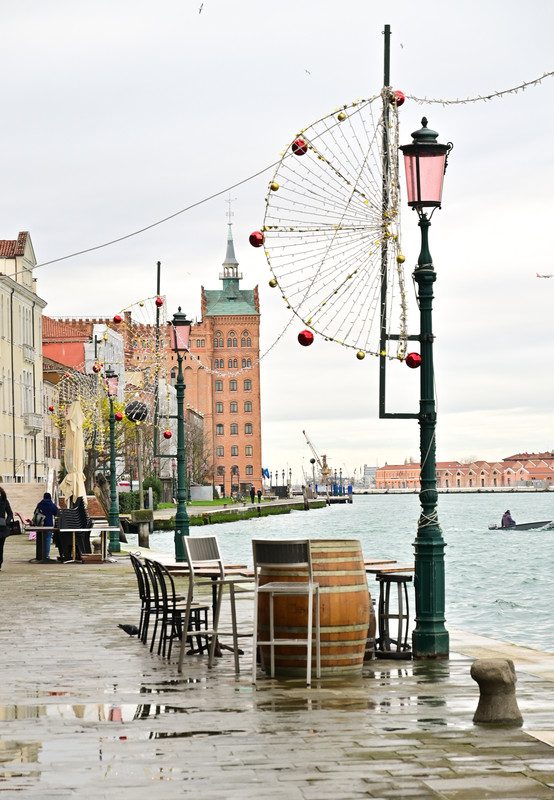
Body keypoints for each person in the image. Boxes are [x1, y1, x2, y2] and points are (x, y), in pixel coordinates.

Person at [35, 492, 59, 559]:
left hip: (40, 525)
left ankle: (40, 555)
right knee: (48, 539)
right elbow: (56, 513)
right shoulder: (52, 505)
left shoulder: (40, 504)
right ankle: (46, 555)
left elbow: (35, 512)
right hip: (49, 524)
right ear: (50, 497)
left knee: (40, 539)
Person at [0, 487, 14, 570]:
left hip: (2, 528)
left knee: (0, 547)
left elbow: (10, 513)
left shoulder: (4, 502)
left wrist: (6, 522)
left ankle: (0, 563)